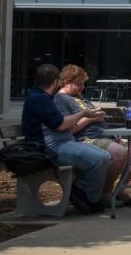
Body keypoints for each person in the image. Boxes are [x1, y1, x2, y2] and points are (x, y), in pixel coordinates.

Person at [23, 63, 109, 213]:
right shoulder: (40, 99)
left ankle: (82, 191)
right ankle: (87, 197)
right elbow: (60, 125)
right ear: (56, 81)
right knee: (100, 159)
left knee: (106, 156)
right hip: (49, 148)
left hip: (61, 142)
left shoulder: (41, 97)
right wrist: (83, 114)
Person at [55, 65, 131, 204]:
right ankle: (105, 194)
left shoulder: (79, 98)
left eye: (83, 84)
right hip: (85, 140)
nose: (82, 88)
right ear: (67, 82)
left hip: (103, 136)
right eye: (79, 84)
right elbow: (69, 129)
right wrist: (90, 118)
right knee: (120, 153)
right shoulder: (61, 100)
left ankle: (119, 190)